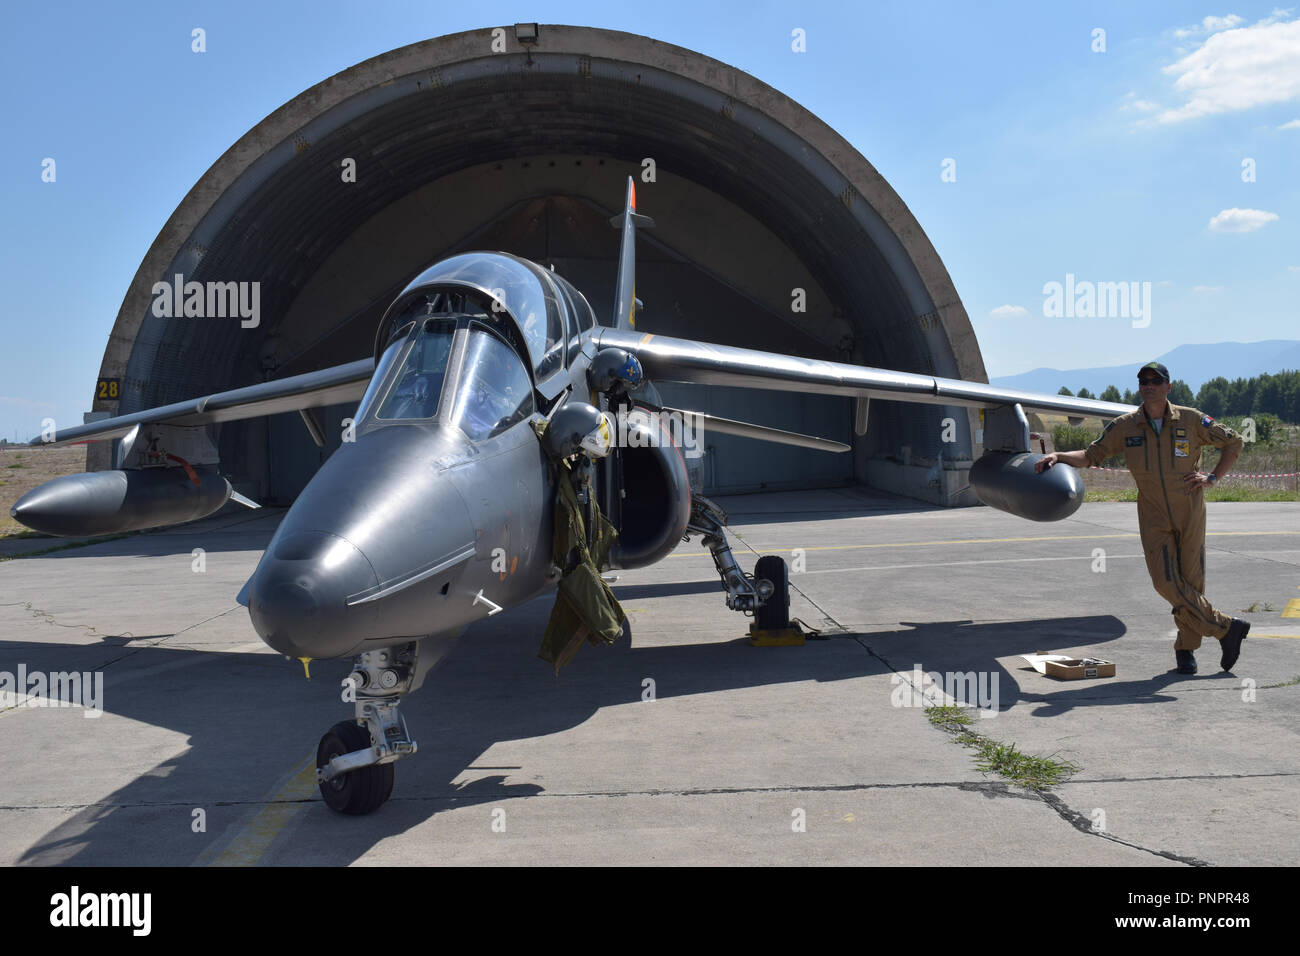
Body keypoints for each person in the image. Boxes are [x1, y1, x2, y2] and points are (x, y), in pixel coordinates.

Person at [1035, 362, 1249, 674]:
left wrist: (1213, 478)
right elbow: (1092, 455)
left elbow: (1234, 441)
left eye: (1155, 380)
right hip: (1153, 514)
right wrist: (1059, 456)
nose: (1148, 385)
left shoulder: (1191, 419)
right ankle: (1226, 628)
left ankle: (1186, 650)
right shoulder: (1125, 426)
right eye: (1143, 381)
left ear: (1168, 387)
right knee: (1165, 581)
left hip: (1190, 509)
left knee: (1190, 583)